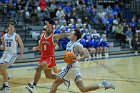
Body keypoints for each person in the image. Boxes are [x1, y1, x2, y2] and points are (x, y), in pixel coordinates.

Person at [49, 29, 115, 93]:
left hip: (71, 68)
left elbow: (86, 55)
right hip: (73, 69)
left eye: (71, 34)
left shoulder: (77, 45)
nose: (70, 34)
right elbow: (67, 55)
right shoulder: (69, 43)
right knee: (83, 89)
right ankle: (103, 85)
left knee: (55, 84)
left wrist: (78, 59)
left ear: (75, 37)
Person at [26, 24, 69, 93]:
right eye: (47, 27)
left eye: (50, 28)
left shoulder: (53, 37)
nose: (48, 28)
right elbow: (40, 48)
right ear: (46, 28)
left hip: (50, 57)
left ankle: (33, 86)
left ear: (52, 30)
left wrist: (69, 34)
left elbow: (61, 35)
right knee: (49, 76)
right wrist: (36, 48)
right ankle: (64, 79)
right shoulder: (42, 36)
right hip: (43, 57)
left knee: (39, 68)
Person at [0, 22, 24, 91]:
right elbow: (3, 46)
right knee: (0, 69)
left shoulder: (16, 36)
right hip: (5, 53)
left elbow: (21, 45)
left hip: (12, 54)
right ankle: (7, 77)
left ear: (14, 29)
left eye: (12, 27)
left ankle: (6, 85)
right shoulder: (4, 36)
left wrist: (21, 55)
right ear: (7, 28)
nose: (11, 28)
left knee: (3, 68)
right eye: (10, 26)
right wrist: (2, 47)